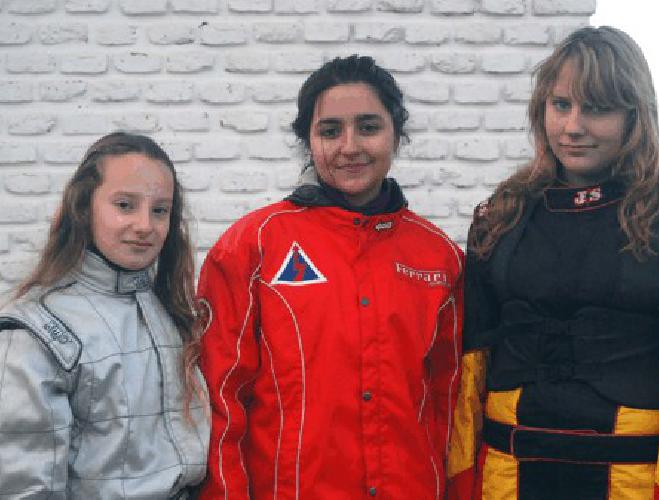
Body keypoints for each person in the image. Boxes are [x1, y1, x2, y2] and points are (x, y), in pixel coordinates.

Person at [446, 26, 659, 499]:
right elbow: (468, 374)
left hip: (631, 483)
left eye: (597, 108)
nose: (573, 127)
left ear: (636, 114)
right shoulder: (499, 218)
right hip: (507, 480)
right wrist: (460, 482)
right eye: (561, 105)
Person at [195, 55, 464, 499]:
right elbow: (219, 401)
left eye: (369, 126)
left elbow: (449, 404)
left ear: (397, 133)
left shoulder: (440, 257)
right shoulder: (254, 245)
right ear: (308, 140)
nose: (350, 146)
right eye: (330, 131)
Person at [0, 132, 209, 499]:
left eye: (159, 210)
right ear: (84, 208)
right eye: (125, 205)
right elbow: (21, 490)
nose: (145, 225)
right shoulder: (31, 335)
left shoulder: (169, 312)